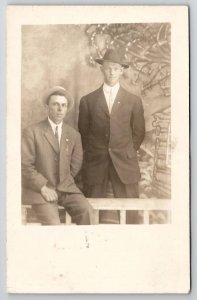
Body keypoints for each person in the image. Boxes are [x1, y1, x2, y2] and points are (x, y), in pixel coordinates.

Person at [78, 49, 145, 224]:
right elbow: (83, 133)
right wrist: (96, 151)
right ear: (102, 69)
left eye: (116, 68)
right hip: (96, 162)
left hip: (125, 163)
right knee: (90, 213)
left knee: (131, 214)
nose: (112, 72)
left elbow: (139, 132)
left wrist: (125, 151)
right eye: (108, 68)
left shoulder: (133, 101)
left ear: (122, 70)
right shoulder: (88, 101)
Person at [22, 86, 92, 225]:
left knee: (87, 212)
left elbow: (75, 164)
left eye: (63, 105)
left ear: (67, 109)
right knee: (54, 225)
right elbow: (25, 165)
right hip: (41, 191)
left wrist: (65, 180)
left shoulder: (74, 135)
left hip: (66, 189)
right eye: (55, 104)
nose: (60, 109)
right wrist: (42, 187)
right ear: (47, 107)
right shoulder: (32, 132)